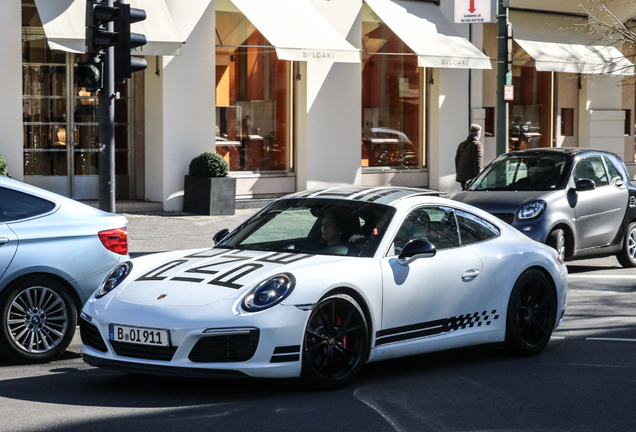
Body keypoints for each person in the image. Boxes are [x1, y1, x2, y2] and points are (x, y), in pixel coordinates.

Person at [455, 124, 483, 190]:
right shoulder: (477, 145)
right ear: (478, 134)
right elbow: (477, 161)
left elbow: (457, 160)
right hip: (471, 177)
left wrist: (459, 173)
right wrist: (478, 177)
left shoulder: (462, 144)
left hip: (462, 177)